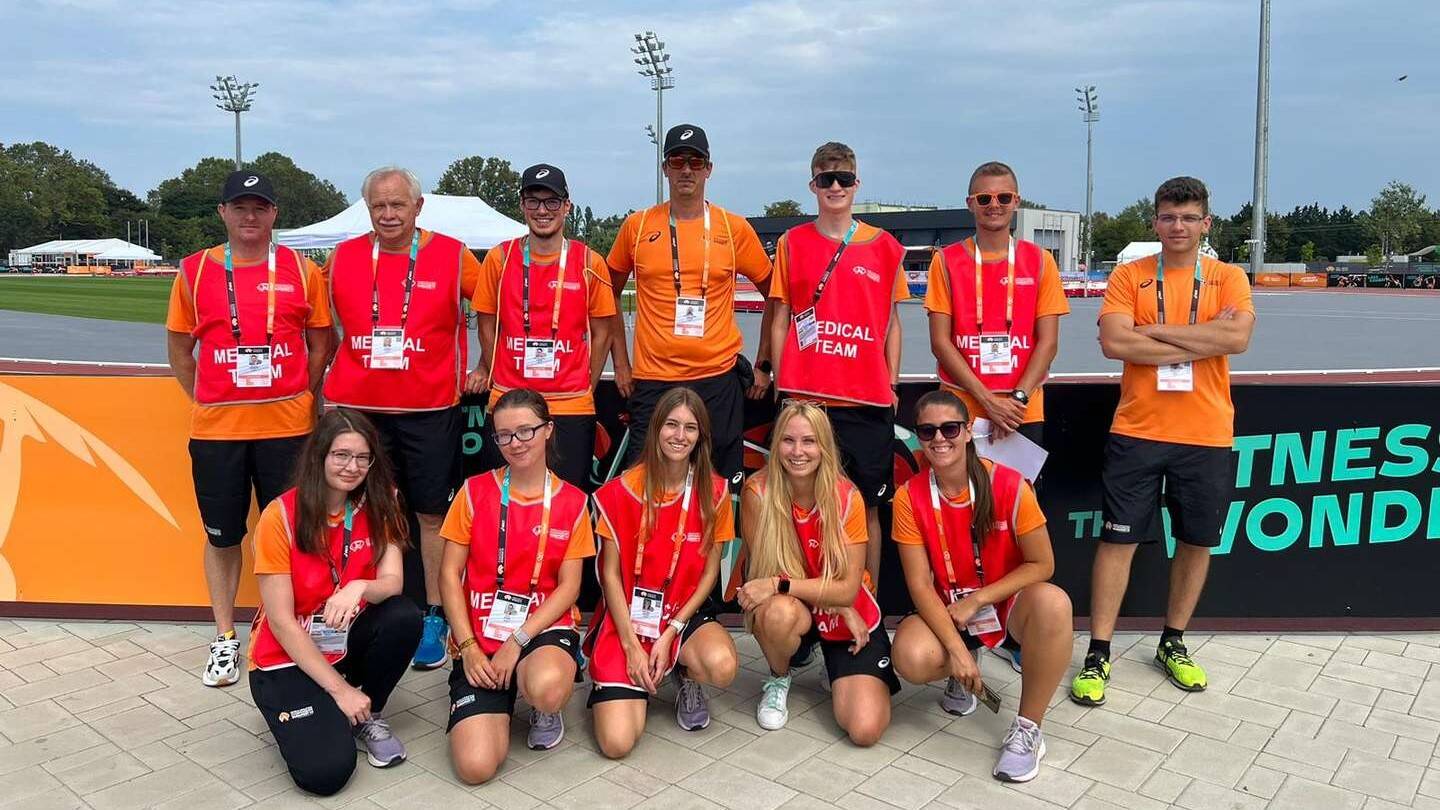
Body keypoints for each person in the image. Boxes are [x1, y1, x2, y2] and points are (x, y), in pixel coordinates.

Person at [1072, 176, 1255, 707]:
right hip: (1138, 430)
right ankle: (1099, 650)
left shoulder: (1227, 277)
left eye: (1189, 217)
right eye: (1169, 217)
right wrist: (1200, 336)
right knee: (1118, 542)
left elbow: (1237, 338)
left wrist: (1150, 331)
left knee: (1197, 541)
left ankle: (1172, 642)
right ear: (1155, 222)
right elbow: (1112, 342)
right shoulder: (1130, 275)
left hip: (1206, 432)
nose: (1178, 226)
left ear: (1206, 224)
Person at [166, 170, 333, 688]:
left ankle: (289, 629)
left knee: (291, 533)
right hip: (217, 431)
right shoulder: (193, 272)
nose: (250, 217)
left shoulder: (303, 271)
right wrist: (212, 399)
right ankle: (224, 638)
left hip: (287, 427)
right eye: (240, 207)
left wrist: (297, 395)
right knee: (223, 535)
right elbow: (179, 350)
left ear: (274, 213)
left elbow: (321, 343)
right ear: (223, 213)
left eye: (260, 207)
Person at [323, 166, 486, 671]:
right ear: (366, 209)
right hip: (359, 411)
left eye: (398, 205)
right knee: (354, 512)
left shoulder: (454, 254)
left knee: (432, 514)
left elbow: (496, 307)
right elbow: (321, 325)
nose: (388, 214)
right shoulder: (343, 256)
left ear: (418, 208)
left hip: (429, 409)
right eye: (378, 206)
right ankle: (344, 608)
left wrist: (484, 365)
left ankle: (435, 614)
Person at [890, 390, 1072, 783]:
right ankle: (963, 668)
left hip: (1000, 603)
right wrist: (956, 650)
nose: (940, 439)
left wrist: (981, 598)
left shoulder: (1010, 485)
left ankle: (1028, 728)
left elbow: (1044, 564)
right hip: (949, 609)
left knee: (1054, 604)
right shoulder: (910, 496)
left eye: (950, 428)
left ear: (969, 430)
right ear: (918, 437)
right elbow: (920, 584)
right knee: (910, 655)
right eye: (927, 431)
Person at [247, 409, 421, 796]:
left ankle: (366, 714)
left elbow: (392, 582)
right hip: (286, 653)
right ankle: (331, 700)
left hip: (342, 636)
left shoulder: (382, 500)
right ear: (319, 456)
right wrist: (340, 692)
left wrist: (359, 585)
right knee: (325, 775)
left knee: (404, 617)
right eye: (341, 455)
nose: (352, 466)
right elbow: (281, 623)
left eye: (362, 457)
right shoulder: (280, 516)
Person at [766, 141, 908, 583]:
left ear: (856, 184)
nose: (834, 186)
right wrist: (779, 384)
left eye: (843, 179)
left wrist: (893, 385)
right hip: (805, 400)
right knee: (799, 508)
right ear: (813, 185)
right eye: (825, 179)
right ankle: (802, 609)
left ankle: (865, 606)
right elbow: (781, 317)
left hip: (864, 400)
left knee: (865, 508)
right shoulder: (792, 242)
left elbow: (893, 324)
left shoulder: (885, 246)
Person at [438, 389, 594, 783]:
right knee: (475, 768)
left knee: (546, 687)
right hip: (481, 633)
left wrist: (517, 641)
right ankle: (497, 698)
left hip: (540, 628)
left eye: (526, 431)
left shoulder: (573, 501)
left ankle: (539, 699)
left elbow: (569, 587)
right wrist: (468, 647)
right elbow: (448, 575)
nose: (515, 443)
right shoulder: (473, 493)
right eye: (504, 435)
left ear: (548, 431)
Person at [607, 123, 776, 489]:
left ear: (708, 169)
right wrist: (620, 362)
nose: (686, 169)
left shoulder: (734, 229)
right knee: (640, 488)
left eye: (695, 162)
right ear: (664, 167)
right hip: (654, 380)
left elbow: (776, 296)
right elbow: (606, 296)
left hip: (717, 379)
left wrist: (764, 363)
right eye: (677, 160)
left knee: (717, 489)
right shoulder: (637, 227)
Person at [586, 387, 740, 757]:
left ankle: (685, 673)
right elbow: (609, 576)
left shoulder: (714, 492)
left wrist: (671, 631)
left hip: (679, 617)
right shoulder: (619, 491)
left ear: (701, 436)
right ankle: (622, 675)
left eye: (690, 427)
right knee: (617, 744)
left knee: (722, 666)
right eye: (671, 424)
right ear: (655, 429)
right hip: (627, 619)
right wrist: (630, 646)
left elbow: (708, 575)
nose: (679, 436)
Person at [737, 402, 898, 746]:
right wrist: (830, 599)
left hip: (844, 611)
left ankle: (834, 665)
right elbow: (761, 577)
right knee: (777, 614)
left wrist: (841, 606)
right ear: (776, 444)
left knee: (865, 730)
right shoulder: (757, 492)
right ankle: (779, 678)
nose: (798, 452)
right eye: (788, 440)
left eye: (809, 441)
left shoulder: (847, 496)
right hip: (795, 609)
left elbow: (846, 590)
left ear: (824, 446)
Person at [473, 164, 619, 491]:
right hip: (509, 403)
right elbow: (486, 322)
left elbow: (603, 333)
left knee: (568, 506)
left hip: (570, 405)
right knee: (504, 504)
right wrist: (499, 374)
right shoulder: (500, 258)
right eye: (533, 201)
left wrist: (585, 384)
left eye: (552, 202)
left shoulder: (589, 263)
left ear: (567, 206)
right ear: (522, 205)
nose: (543, 210)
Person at [926, 161, 1069, 446]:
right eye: (984, 198)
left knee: (1019, 492)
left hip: (1022, 410)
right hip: (961, 408)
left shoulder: (1041, 261)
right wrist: (987, 401)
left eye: (1004, 197)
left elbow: (1048, 342)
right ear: (970, 203)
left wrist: (1017, 399)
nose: (994, 205)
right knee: (964, 492)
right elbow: (940, 343)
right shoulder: (946, 261)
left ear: (1016, 201)